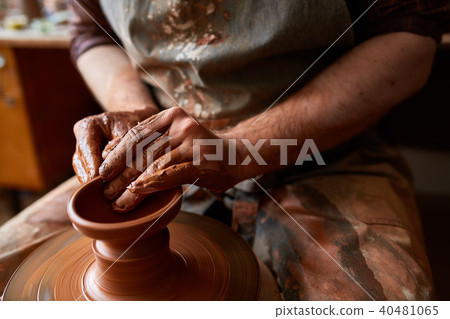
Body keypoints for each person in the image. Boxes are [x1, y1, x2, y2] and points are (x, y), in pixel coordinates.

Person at [1, 0, 449, 300]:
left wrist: (240, 150)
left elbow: (409, 32)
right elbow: (90, 31)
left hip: (318, 152)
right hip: (160, 154)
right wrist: (133, 114)